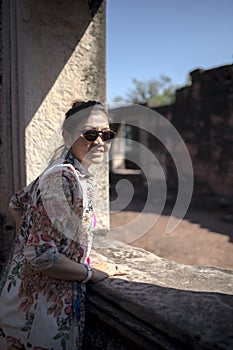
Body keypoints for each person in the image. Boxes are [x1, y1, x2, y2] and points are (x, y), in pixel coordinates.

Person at [0, 100, 127, 350]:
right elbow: (41, 255)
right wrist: (92, 273)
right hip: (38, 311)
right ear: (68, 135)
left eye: (107, 134)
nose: (100, 142)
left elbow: (17, 203)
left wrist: (28, 239)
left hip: (26, 300)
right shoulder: (62, 178)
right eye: (90, 133)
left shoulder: (65, 170)